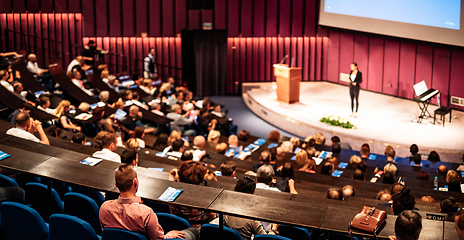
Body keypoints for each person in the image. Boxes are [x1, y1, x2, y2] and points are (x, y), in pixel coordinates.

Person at [100, 165, 198, 240]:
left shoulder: (104, 208)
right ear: (135, 182)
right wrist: (169, 235)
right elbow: (158, 239)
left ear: (116, 184)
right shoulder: (146, 213)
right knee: (194, 232)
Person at [170, 161, 216, 229]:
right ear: (200, 180)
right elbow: (212, 216)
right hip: (196, 230)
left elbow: (172, 178)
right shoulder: (202, 197)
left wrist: (172, 175)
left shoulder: (172, 192)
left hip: (176, 226)